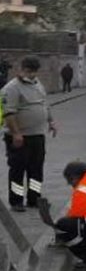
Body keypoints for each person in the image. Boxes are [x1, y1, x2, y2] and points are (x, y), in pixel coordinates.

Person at [1, 56, 57, 212]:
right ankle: (16, 201)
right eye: (28, 71)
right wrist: (16, 133)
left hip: (37, 135)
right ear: (21, 69)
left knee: (36, 169)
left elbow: (44, 104)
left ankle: (34, 198)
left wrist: (51, 121)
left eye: (33, 72)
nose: (31, 75)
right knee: (18, 169)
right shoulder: (11, 88)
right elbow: (8, 113)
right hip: (20, 137)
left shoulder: (38, 84)